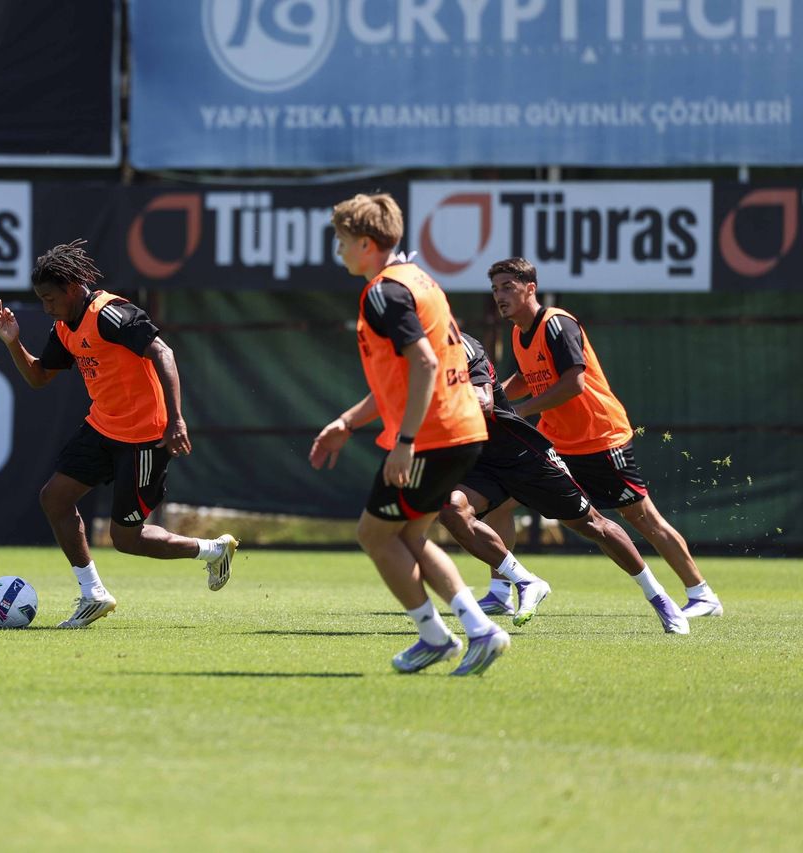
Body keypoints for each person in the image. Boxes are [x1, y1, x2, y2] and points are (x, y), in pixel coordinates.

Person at [309, 193, 509, 676]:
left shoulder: (382, 291)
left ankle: (445, 635)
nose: (337, 249)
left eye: (341, 239)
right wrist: (348, 423)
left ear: (365, 243)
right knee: (411, 537)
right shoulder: (420, 282)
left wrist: (405, 443)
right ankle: (466, 631)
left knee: (374, 535)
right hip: (462, 430)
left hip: (432, 436)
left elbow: (424, 363)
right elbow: (400, 379)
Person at [0, 239, 237, 628]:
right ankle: (93, 594)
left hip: (145, 437)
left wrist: (176, 420)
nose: (46, 307)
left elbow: (164, 353)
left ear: (72, 289)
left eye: (50, 298)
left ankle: (212, 550)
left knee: (127, 539)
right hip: (103, 426)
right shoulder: (64, 326)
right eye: (41, 299)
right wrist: (12, 342)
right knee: (54, 499)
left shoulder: (110, 314)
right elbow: (39, 377)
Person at [488, 257, 721, 620]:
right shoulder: (520, 333)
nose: (499, 295)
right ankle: (501, 589)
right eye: (495, 289)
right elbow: (527, 374)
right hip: (558, 440)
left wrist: (518, 412)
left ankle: (701, 594)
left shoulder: (557, 324)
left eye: (507, 287)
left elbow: (573, 383)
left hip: (600, 437)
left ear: (529, 288)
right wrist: (496, 395)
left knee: (643, 518)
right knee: (501, 502)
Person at [437, 331, 690, 633]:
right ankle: (524, 581)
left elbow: (484, 402)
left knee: (593, 525)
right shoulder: (410, 356)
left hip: (523, 456)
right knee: (452, 510)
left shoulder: (459, 344)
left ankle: (659, 597)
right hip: (481, 463)